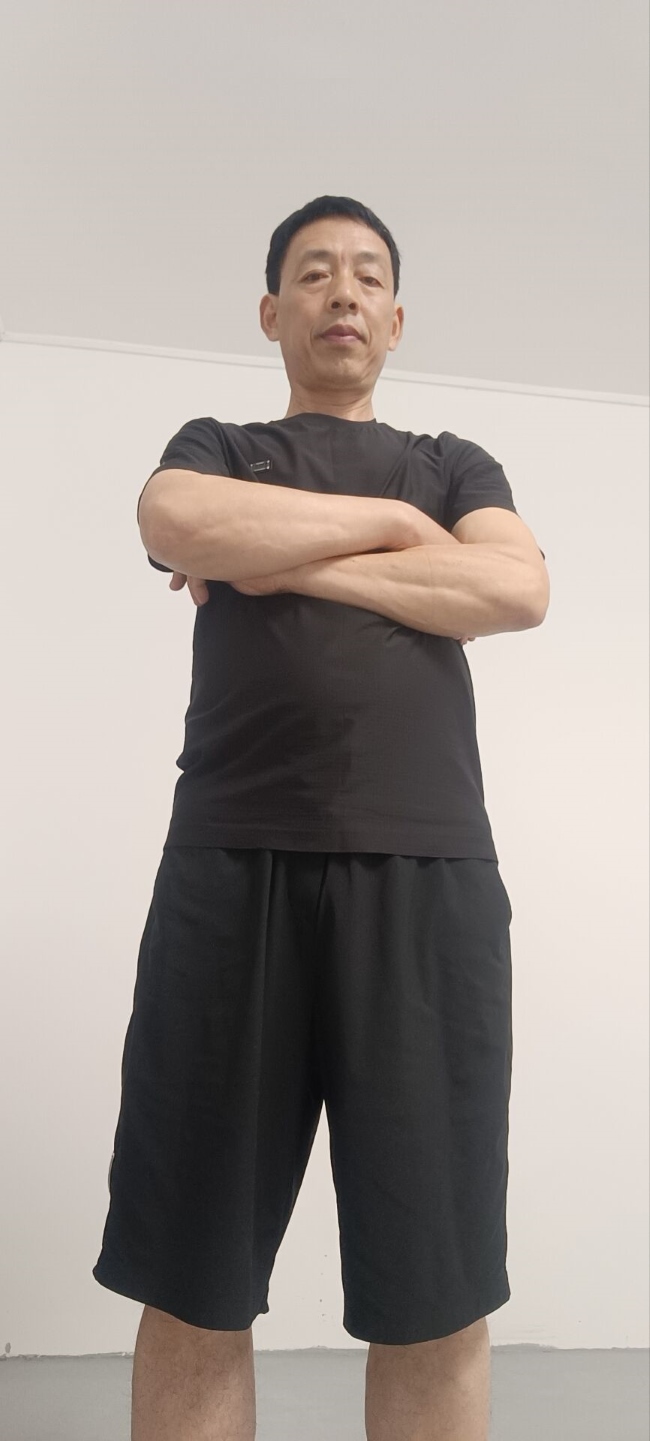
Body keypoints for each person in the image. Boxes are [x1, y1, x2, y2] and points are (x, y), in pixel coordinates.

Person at [93, 194, 549, 1441]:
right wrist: (399, 539)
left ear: (394, 320)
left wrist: (277, 560)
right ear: (270, 312)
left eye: (365, 275)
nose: (340, 291)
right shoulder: (221, 447)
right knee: (192, 1275)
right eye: (311, 272)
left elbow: (514, 587)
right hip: (227, 874)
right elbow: (172, 520)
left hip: (427, 884)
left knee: (434, 1290)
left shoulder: (452, 466)